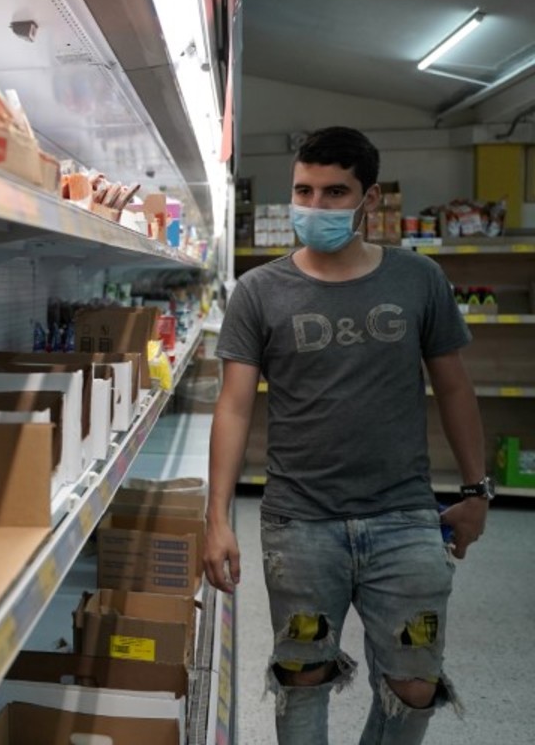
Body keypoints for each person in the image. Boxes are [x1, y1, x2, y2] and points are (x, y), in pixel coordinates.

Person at [204, 126, 489, 745]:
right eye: (303, 191)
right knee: (302, 674)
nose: (316, 206)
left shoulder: (418, 279)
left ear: (369, 197)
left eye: (335, 192)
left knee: (415, 682)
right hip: (299, 522)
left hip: (404, 517)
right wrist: (216, 518)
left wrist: (476, 491)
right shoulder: (259, 292)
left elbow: (455, 389)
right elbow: (233, 407)